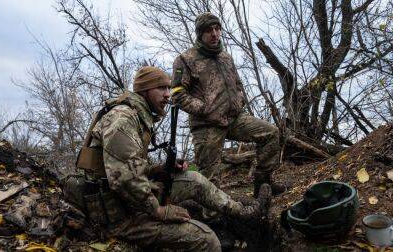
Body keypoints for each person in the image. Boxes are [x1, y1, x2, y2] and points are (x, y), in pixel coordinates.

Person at [67, 66, 271, 251]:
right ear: (144, 91)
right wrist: (159, 211)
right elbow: (124, 179)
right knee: (208, 240)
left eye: (168, 88)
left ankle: (244, 212)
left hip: (127, 201)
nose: (168, 94)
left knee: (194, 179)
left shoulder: (137, 115)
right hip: (117, 215)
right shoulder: (123, 119)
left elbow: (127, 166)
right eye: (161, 88)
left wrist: (159, 169)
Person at [171, 12, 286, 196]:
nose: (215, 34)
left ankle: (264, 184)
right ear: (200, 34)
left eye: (217, 29)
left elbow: (238, 84)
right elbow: (177, 93)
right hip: (207, 125)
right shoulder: (186, 59)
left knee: (270, 133)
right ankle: (213, 216)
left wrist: (239, 101)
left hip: (234, 118)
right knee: (211, 179)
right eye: (209, 31)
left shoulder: (225, 57)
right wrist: (204, 109)